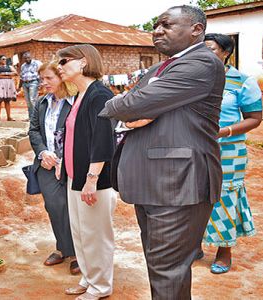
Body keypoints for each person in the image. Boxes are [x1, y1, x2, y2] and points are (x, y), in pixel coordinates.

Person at [99, 6, 225, 299]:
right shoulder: (161, 68)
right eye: (155, 26)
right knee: (161, 267)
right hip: (154, 182)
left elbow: (127, 104)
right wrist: (135, 104)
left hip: (178, 183)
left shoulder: (202, 62)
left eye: (166, 25)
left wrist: (135, 104)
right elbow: (129, 103)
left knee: (168, 271)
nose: (157, 31)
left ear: (196, 29)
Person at [56, 45, 116, 300]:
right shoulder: (81, 94)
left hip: (94, 180)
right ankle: (89, 278)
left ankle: (101, 286)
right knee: (81, 233)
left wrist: (92, 180)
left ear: (83, 62)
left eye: (64, 61)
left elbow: (102, 141)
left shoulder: (99, 94)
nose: (59, 67)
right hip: (75, 176)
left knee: (96, 234)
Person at [201, 33, 262, 274]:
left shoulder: (242, 81)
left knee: (224, 198)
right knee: (195, 195)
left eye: (212, 49)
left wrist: (223, 131)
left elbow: (254, 119)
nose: (206, 54)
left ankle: (224, 252)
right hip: (196, 148)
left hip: (229, 150)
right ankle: (194, 244)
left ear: (226, 53)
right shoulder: (193, 78)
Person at [27, 60, 80, 274]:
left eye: (49, 78)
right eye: (42, 79)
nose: (44, 83)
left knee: (74, 209)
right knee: (55, 206)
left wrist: (61, 157)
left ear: (62, 78)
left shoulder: (77, 101)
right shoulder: (41, 102)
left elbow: (79, 134)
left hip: (72, 164)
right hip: (46, 164)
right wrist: (43, 153)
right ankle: (63, 248)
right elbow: (34, 130)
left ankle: (77, 253)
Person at [0, 55, 18, 121]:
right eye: (3, 59)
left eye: (5, 59)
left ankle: (9, 117)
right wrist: (8, 75)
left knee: (7, 101)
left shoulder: (10, 66)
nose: (4, 60)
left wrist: (3, 73)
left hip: (8, 85)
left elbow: (15, 73)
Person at [20, 51, 43, 118]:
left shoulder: (37, 63)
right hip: (25, 84)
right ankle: (30, 117)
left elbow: (41, 73)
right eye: (25, 58)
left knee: (33, 99)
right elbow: (21, 76)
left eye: (28, 58)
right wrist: (19, 86)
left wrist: (41, 83)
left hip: (33, 82)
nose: (27, 59)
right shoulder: (23, 66)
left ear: (31, 57)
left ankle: (36, 116)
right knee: (28, 101)